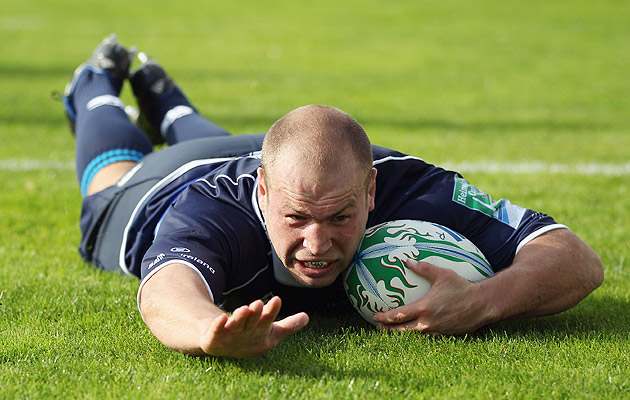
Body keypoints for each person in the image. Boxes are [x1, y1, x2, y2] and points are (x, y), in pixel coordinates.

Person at [62, 35, 604, 358]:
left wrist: (483, 301)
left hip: (273, 157)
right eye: (296, 218)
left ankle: (166, 99)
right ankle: (93, 85)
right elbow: (165, 292)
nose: (316, 242)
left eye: (340, 216)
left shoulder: (410, 186)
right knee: (110, 178)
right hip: (163, 185)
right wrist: (209, 331)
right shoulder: (211, 211)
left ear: (371, 188)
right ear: (263, 191)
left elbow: (574, 259)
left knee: (212, 136)